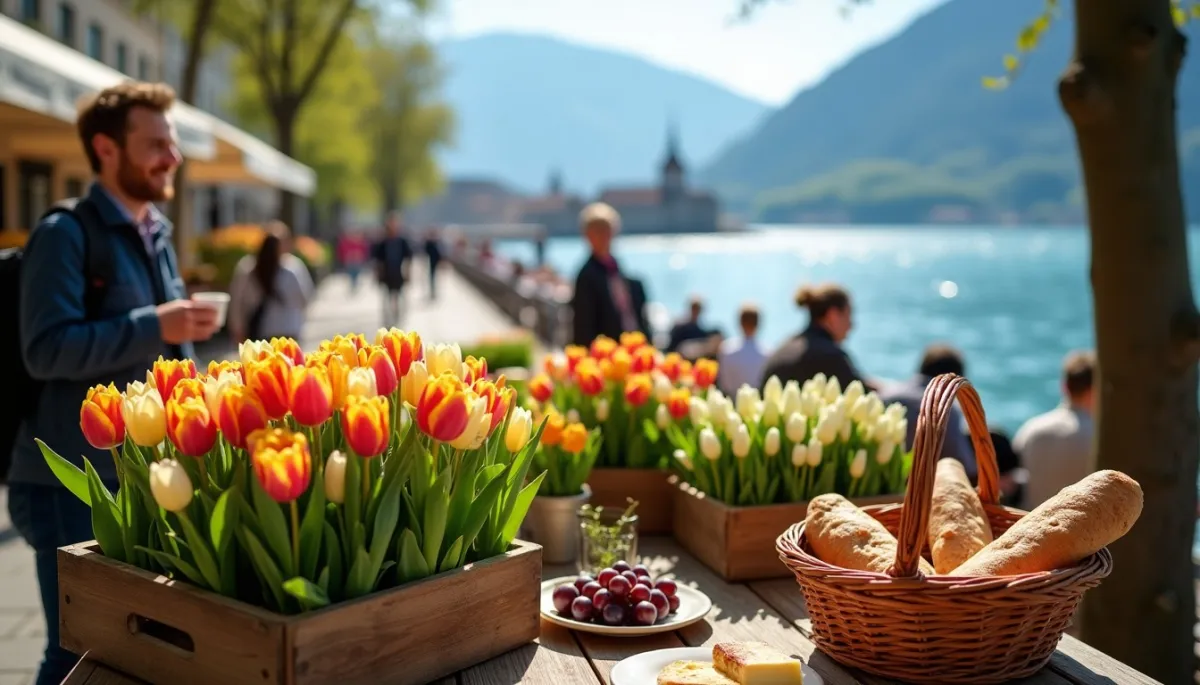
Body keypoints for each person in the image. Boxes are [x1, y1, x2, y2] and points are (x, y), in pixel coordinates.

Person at [7, 81, 220, 685]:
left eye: (171, 144)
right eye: (155, 144)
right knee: (76, 649)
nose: (171, 157)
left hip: (138, 474)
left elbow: (165, 351)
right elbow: (44, 350)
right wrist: (157, 323)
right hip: (67, 483)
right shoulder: (64, 233)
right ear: (105, 148)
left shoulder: (156, 232)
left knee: (133, 650)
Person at [1013, 350, 1096, 509]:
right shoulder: (1097, 437)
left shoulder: (1031, 430)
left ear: (1064, 386)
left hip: (1028, 525)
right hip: (1083, 530)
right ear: (1094, 391)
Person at [879, 344, 976, 477]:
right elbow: (964, 465)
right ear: (955, 380)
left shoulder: (887, 395)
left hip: (880, 485)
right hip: (927, 490)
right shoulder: (947, 409)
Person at [760, 283, 872, 390]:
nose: (851, 325)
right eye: (848, 315)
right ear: (833, 315)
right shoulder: (831, 357)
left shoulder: (783, 348)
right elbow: (863, 397)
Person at [570, 202, 649, 346]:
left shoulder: (616, 268)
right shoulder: (587, 275)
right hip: (607, 352)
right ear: (587, 236)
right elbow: (583, 326)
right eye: (598, 231)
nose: (604, 236)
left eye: (607, 230)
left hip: (630, 346)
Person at [228, 221, 314, 343]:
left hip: (260, 331)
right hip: (289, 329)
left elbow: (237, 301)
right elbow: (305, 298)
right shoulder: (293, 267)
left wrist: (237, 327)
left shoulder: (247, 267)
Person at [372, 212, 414, 328]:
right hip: (386, 275)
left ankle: (398, 319)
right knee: (386, 299)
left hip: (399, 274)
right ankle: (387, 321)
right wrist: (377, 275)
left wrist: (408, 273)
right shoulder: (382, 242)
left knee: (399, 298)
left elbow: (408, 258)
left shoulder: (402, 242)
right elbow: (378, 261)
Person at [718, 303, 769, 395]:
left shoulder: (726, 350)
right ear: (758, 324)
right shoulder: (767, 353)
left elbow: (725, 385)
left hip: (732, 404)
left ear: (740, 323)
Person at [423, 227, 443, 301]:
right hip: (430, 263)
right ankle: (432, 292)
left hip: (434, 263)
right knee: (431, 278)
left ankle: (433, 292)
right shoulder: (430, 243)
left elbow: (439, 254)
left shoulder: (435, 243)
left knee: (434, 278)